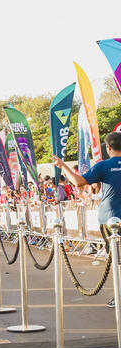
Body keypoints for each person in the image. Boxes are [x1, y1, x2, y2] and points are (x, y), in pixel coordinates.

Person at [52, 132, 121, 308]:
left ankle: (119, 296)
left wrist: (63, 166)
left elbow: (78, 182)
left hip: (110, 217)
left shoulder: (104, 165)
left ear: (109, 148)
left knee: (117, 258)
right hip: (111, 216)